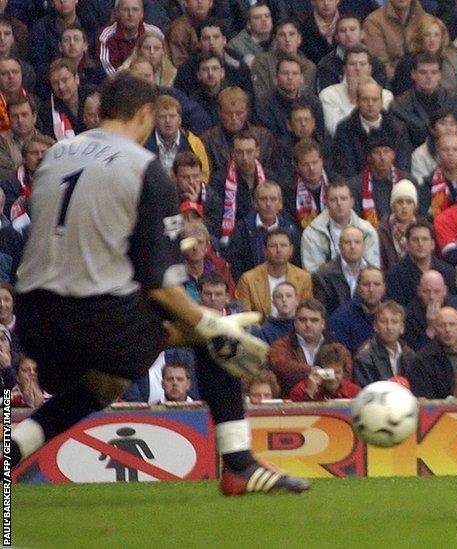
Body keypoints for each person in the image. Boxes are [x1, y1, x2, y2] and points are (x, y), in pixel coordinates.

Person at [8, 72, 308, 494]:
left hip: (35, 319)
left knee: (107, 381)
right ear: (146, 114)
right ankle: (239, 464)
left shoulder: (57, 155)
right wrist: (209, 323)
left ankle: (11, 449)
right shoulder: (144, 168)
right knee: (209, 333)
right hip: (94, 315)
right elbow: (161, 286)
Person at [301, 180, 381, 273]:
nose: (339, 203)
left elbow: (373, 270)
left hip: (363, 284)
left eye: (343, 198)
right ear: (326, 203)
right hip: (327, 286)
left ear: (352, 202)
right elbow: (313, 275)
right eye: (333, 200)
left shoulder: (367, 231)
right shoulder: (311, 234)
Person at [235, 228, 314, 318]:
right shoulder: (248, 279)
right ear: (264, 251)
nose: (279, 250)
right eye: (273, 246)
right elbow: (244, 316)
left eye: (283, 245)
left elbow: (307, 312)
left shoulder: (304, 278)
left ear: (291, 250)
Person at [269, 298, 332, 395]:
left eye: (314, 320)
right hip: (290, 403)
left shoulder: (337, 348)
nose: (308, 324)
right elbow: (281, 367)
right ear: (295, 323)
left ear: (323, 324)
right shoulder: (280, 346)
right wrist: (312, 371)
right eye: (302, 320)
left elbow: (342, 375)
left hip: (329, 403)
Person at [385, 221, 457, 305]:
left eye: (425, 239)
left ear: (432, 244)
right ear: (407, 244)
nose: (420, 244)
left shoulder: (448, 272)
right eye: (415, 240)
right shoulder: (395, 274)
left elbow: (453, 303)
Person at [353, 300, 416, 386]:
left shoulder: (409, 355)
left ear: (402, 328)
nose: (389, 327)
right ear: (375, 326)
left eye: (394, 322)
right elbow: (365, 392)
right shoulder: (365, 357)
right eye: (383, 321)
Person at [312, 226, 373, 315]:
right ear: (340, 247)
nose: (352, 246)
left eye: (357, 242)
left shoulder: (373, 273)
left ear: (364, 246)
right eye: (347, 242)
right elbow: (322, 311)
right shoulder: (323, 274)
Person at [328, 266, 387, 353]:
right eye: (366, 284)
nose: (371, 289)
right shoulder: (341, 317)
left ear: (384, 288)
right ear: (358, 287)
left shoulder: (393, 314)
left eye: (376, 284)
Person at [289, 343, 362, 401]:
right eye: (328, 373)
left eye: (337, 372)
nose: (332, 378)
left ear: (343, 372)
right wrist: (310, 393)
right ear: (318, 370)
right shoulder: (300, 391)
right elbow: (299, 417)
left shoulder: (354, 393)